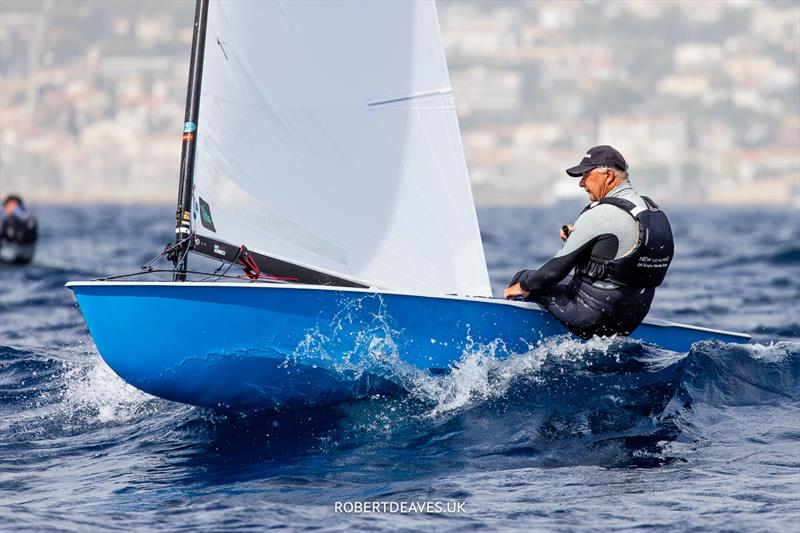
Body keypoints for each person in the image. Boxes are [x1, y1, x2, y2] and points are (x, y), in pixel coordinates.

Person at [503, 145, 673, 338]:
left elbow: (552, 272)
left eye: (585, 175)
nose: (581, 184)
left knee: (525, 279)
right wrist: (578, 240)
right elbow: (622, 255)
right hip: (632, 318)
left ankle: (523, 344)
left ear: (608, 175)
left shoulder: (602, 213)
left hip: (595, 319)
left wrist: (522, 287)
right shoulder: (651, 211)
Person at [1, 194, 38, 265]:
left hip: (13, 255)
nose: (5, 210)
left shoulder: (13, 218)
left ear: (13, 204)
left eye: (6, 207)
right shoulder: (29, 214)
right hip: (29, 254)